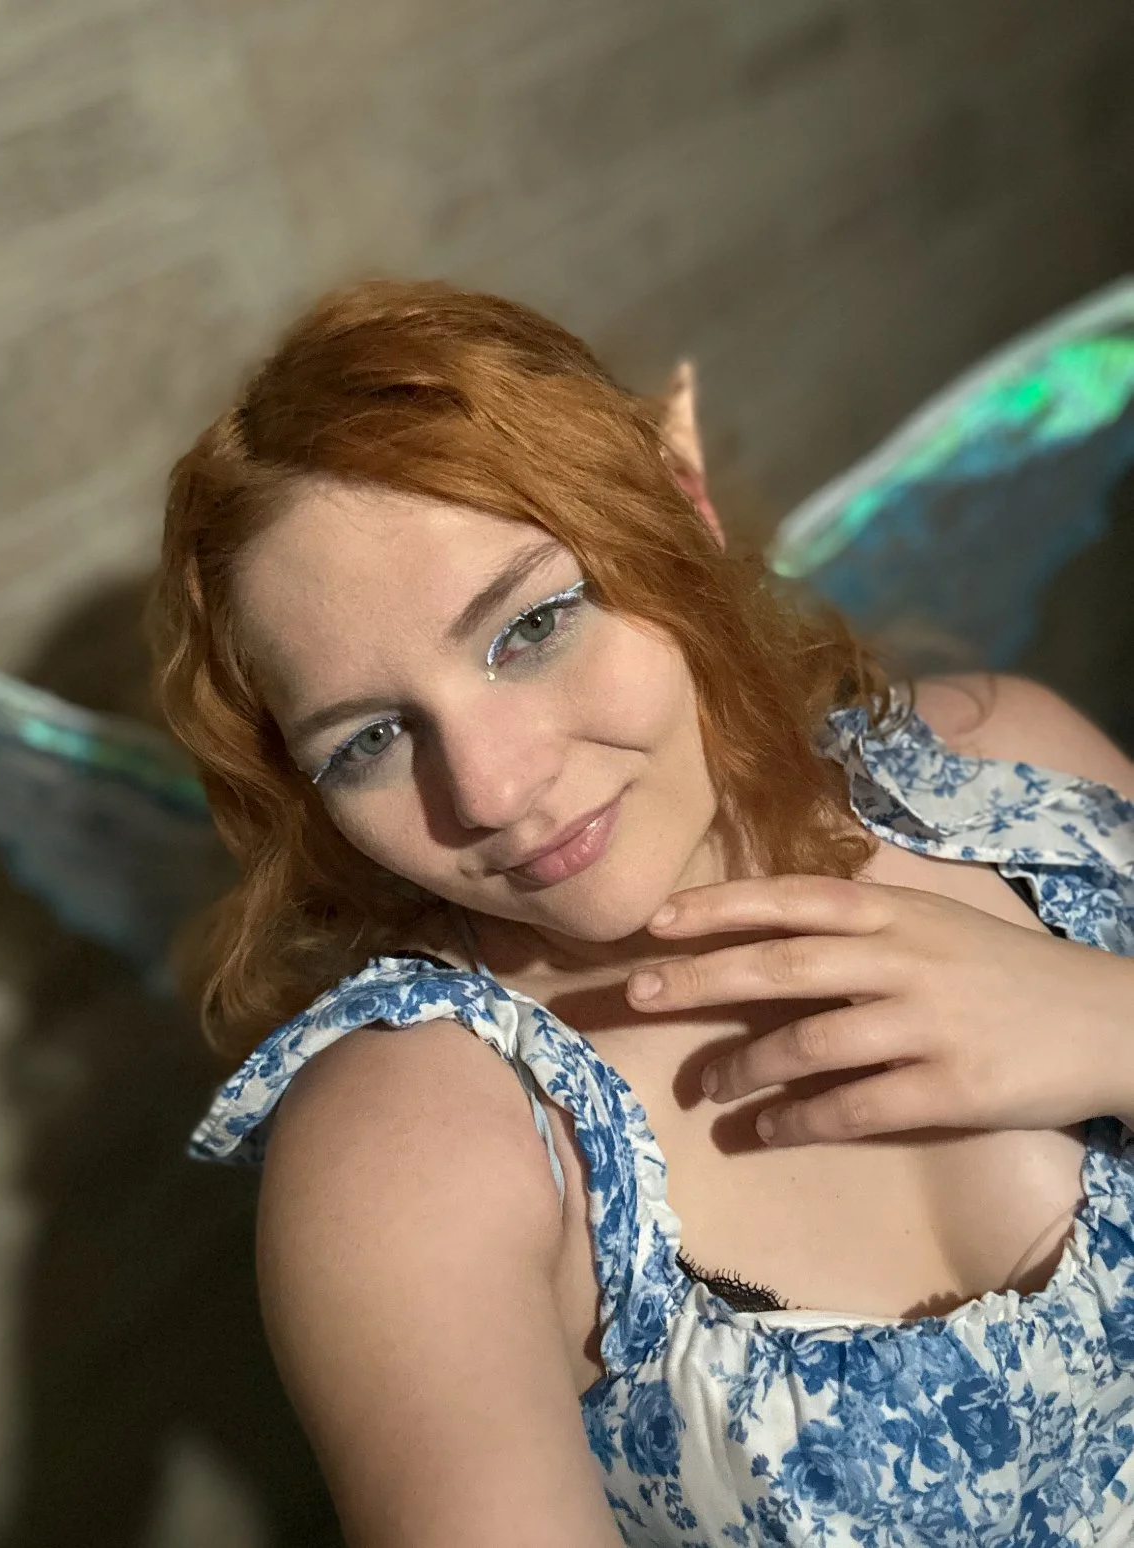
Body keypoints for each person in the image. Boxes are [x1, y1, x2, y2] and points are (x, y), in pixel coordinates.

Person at [151, 280, 1134, 1548]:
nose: (495, 790)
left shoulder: (1013, 770)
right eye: (373, 740)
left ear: (679, 510)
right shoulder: (416, 1146)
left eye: (532, 627)